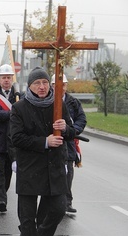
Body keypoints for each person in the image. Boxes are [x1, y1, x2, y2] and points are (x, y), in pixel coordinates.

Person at [10, 67, 75, 236]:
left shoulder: (58, 106)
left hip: (53, 168)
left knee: (58, 208)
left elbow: (71, 133)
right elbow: (17, 138)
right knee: (27, 218)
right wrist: (44, 142)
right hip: (30, 168)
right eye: (37, 83)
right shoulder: (19, 108)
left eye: (45, 82)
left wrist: (65, 128)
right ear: (30, 86)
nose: (42, 86)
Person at [51, 74, 87, 214]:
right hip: (52, 141)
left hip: (69, 143)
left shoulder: (73, 102)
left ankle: (66, 202)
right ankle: (53, 202)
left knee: (68, 173)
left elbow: (81, 119)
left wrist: (73, 130)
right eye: (56, 85)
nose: (60, 88)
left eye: (63, 85)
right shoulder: (47, 101)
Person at [0, 64, 20, 213]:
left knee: (8, 174)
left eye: (9, 77)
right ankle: (1, 200)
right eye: (4, 77)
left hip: (13, 140)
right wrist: (13, 114)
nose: (6, 80)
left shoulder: (19, 95)